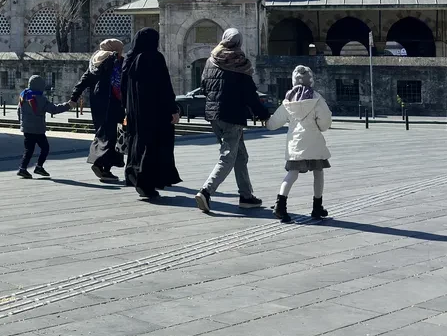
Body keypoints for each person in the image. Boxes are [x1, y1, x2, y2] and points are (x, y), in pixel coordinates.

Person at [196, 28, 269, 213]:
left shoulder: (210, 60)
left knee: (240, 156)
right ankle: (206, 191)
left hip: (214, 116)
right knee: (227, 156)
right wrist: (263, 114)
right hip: (232, 116)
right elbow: (249, 94)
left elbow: (204, 86)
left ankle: (246, 196)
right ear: (239, 43)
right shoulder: (240, 62)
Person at [121, 27, 182, 201]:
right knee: (154, 145)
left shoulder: (129, 59)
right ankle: (146, 183)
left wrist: (126, 108)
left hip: (134, 111)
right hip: (155, 111)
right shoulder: (154, 58)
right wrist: (173, 109)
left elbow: (123, 87)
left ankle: (134, 176)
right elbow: (164, 86)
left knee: (137, 143)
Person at [265, 65, 332, 222]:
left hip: (296, 143)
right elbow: (325, 121)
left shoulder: (289, 100)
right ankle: (317, 207)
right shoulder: (316, 98)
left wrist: (267, 123)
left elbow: (275, 121)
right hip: (314, 143)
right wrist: (321, 127)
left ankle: (280, 205)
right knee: (318, 172)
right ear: (311, 80)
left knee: (292, 174)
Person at [71, 38, 125, 183]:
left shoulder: (95, 62)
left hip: (98, 104)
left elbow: (83, 80)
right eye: (120, 50)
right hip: (112, 103)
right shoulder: (112, 60)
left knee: (103, 133)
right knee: (112, 135)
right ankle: (100, 164)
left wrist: (74, 97)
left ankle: (104, 169)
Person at [16, 75, 71, 178]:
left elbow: (18, 111)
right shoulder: (40, 98)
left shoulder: (23, 95)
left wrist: (22, 124)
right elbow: (53, 109)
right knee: (45, 148)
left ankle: (22, 169)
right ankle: (39, 167)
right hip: (38, 129)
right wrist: (68, 105)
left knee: (29, 150)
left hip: (27, 129)